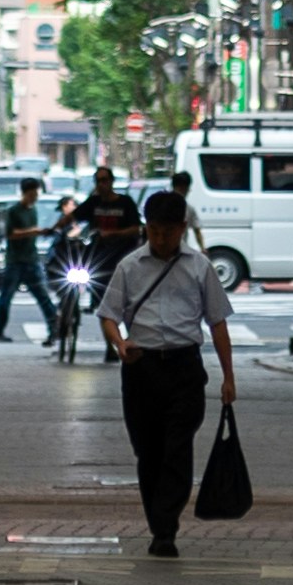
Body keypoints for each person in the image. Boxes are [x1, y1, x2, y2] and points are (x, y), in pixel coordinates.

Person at [97, 183, 236, 551]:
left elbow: (218, 323)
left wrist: (228, 376)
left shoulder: (199, 267)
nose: (160, 239)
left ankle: (165, 528)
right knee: (148, 451)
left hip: (184, 367)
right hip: (141, 368)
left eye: (168, 232)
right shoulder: (130, 266)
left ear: (183, 228)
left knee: (178, 446)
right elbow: (108, 315)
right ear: (146, 227)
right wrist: (120, 342)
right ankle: (159, 521)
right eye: (154, 231)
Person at [0, 179, 59, 344]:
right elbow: (11, 234)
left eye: (36, 193)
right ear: (25, 193)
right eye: (32, 193)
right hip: (15, 261)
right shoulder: (14, 211)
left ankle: (54, 328)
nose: (34, 197)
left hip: (31, 260)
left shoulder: (32, 210)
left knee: (43, 296)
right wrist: (32, 231)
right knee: (6, 297)